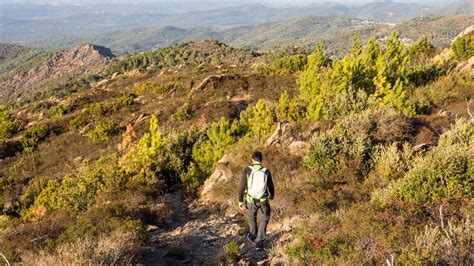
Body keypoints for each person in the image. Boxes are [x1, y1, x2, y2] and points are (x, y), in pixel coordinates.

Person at [238, 151, 275, 251]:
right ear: (261, 160)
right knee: (264, 218)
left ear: (252, 159)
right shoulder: (266, 171)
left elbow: (242, 186)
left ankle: (253, 234)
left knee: (252, 217)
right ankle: (259, 242)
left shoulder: (247, 170)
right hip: (263, 200)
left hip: (251, 200)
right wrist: (272, 195)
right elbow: (270, 186)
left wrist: (240, 201)